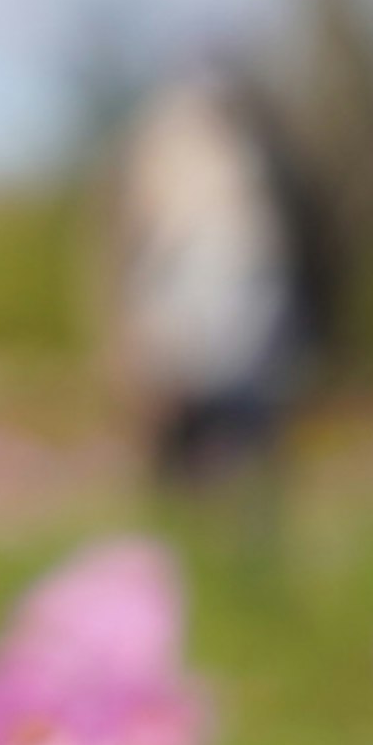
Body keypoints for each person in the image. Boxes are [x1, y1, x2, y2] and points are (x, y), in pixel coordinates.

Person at [108, 68, 331, 512]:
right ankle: (185, 517)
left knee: (246, 427)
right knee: (183, 426)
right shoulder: (166, 159)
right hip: (184, 317)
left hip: (242, 325)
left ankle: (237, 518)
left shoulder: (258, 167)